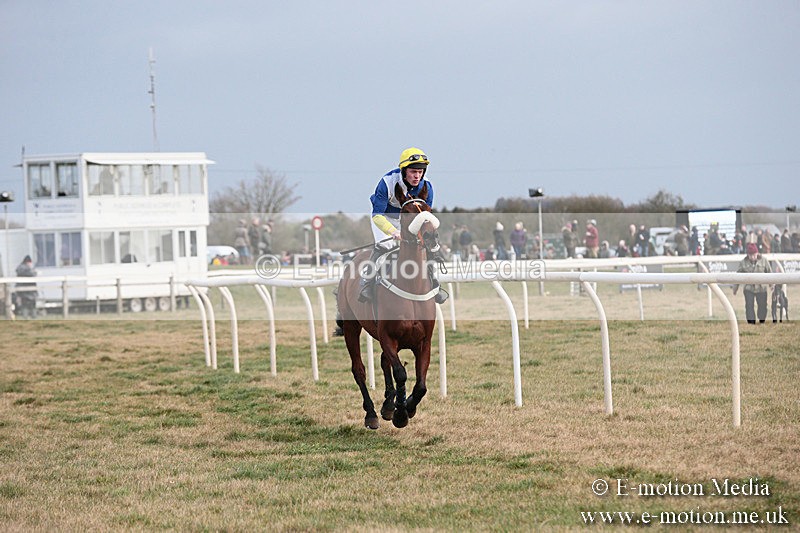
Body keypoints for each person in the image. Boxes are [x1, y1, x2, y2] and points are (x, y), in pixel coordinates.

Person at [358, 147, 447, 304]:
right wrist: (393, 231)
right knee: (384, 247)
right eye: (413, 171)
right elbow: (377, 215)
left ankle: (434, 284)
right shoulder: (386, 183)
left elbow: (426, 216)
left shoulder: (427, 187)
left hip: (411, 222)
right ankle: (366, 283)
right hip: (386, 219)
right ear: (404, 170)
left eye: (420, 172)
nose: (417, 176)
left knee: (424, 248)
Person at [733, 243, 772, 324]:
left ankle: (762, 320)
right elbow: (738, 275)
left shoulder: (764, 260)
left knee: (762, 306)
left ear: (757, 253)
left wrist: (772, 285)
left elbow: (769, 273)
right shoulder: (743, 262)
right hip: (749, 288)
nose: (753, 257)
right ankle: (751, 323)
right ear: (748, 255)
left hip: (761, 288)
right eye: (751, 255)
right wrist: (735, 288)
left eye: (754, 255)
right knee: (749, 306)